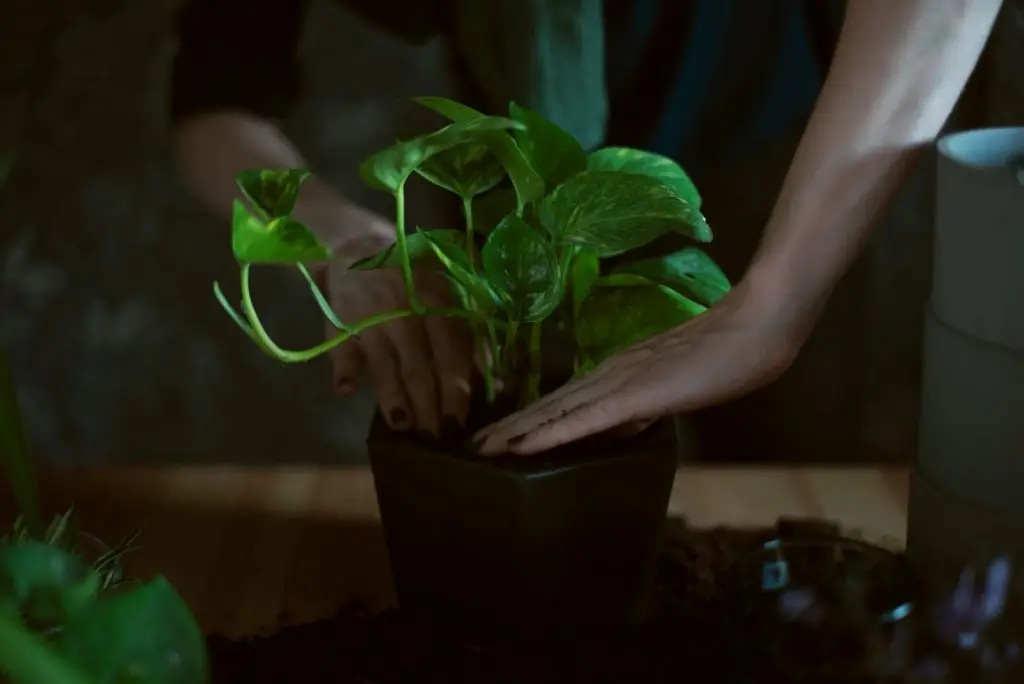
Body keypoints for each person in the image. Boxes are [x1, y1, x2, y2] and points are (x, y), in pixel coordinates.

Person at [170, 0, 1004, 456]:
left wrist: (776, 300)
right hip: (513, 207)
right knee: (535, 441)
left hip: (785, 168)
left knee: (790, 467)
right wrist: (341, 239)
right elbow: (213, 106)